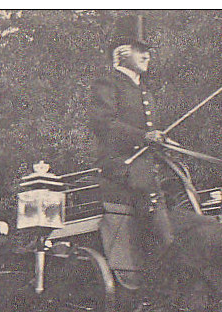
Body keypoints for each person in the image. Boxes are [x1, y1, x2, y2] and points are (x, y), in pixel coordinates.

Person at [89, 14, 173, 255]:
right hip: (120, 168)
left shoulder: (144, 91)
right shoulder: (107, 83)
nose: (147, 56)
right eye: (140, 50)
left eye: (148, 51)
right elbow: (102, 123)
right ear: (123, 53)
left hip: (145, 167)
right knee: (153, 205)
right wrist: (144, 137)